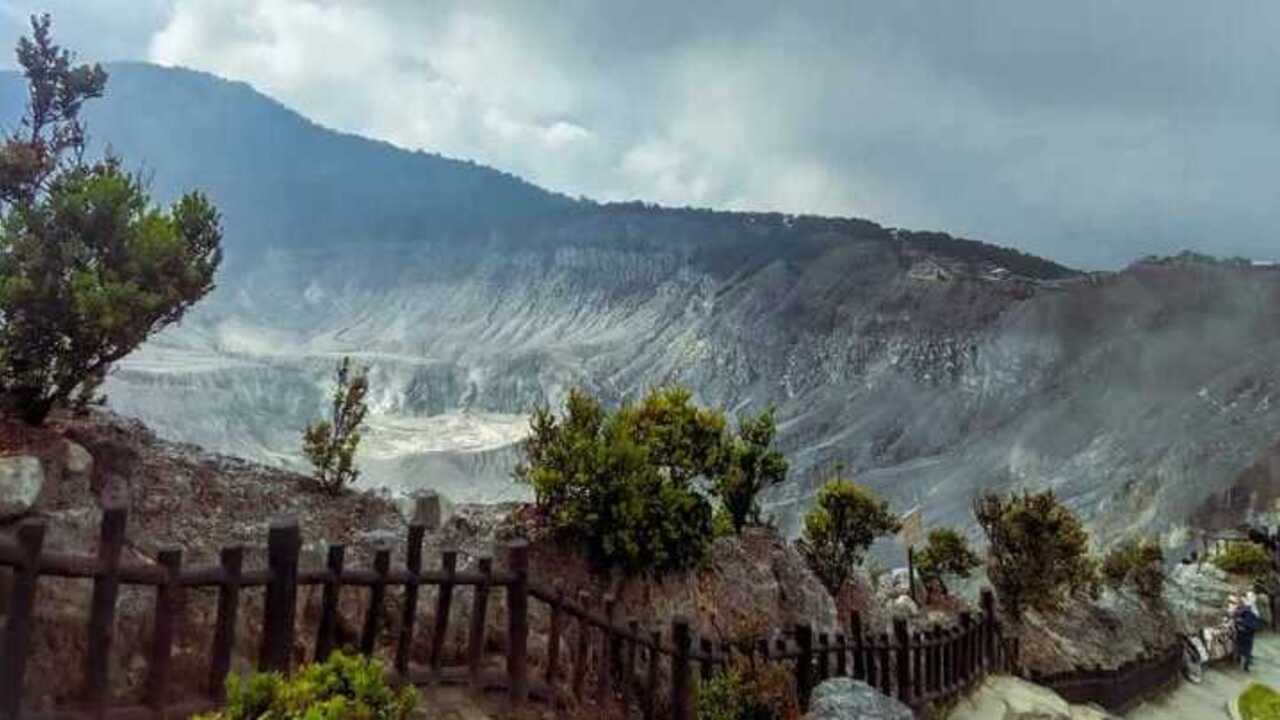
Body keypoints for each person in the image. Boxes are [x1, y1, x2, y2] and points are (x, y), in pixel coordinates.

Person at [1234, 593, 1263, 671]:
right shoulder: (1254, 609)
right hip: (1250, 630)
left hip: (1245, 630)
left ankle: (1243, 661)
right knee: (1247, 647)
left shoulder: (1247, 608)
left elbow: (1238, 614)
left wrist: (1239, 622)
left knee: (1243, 646)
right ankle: (1245, 661)